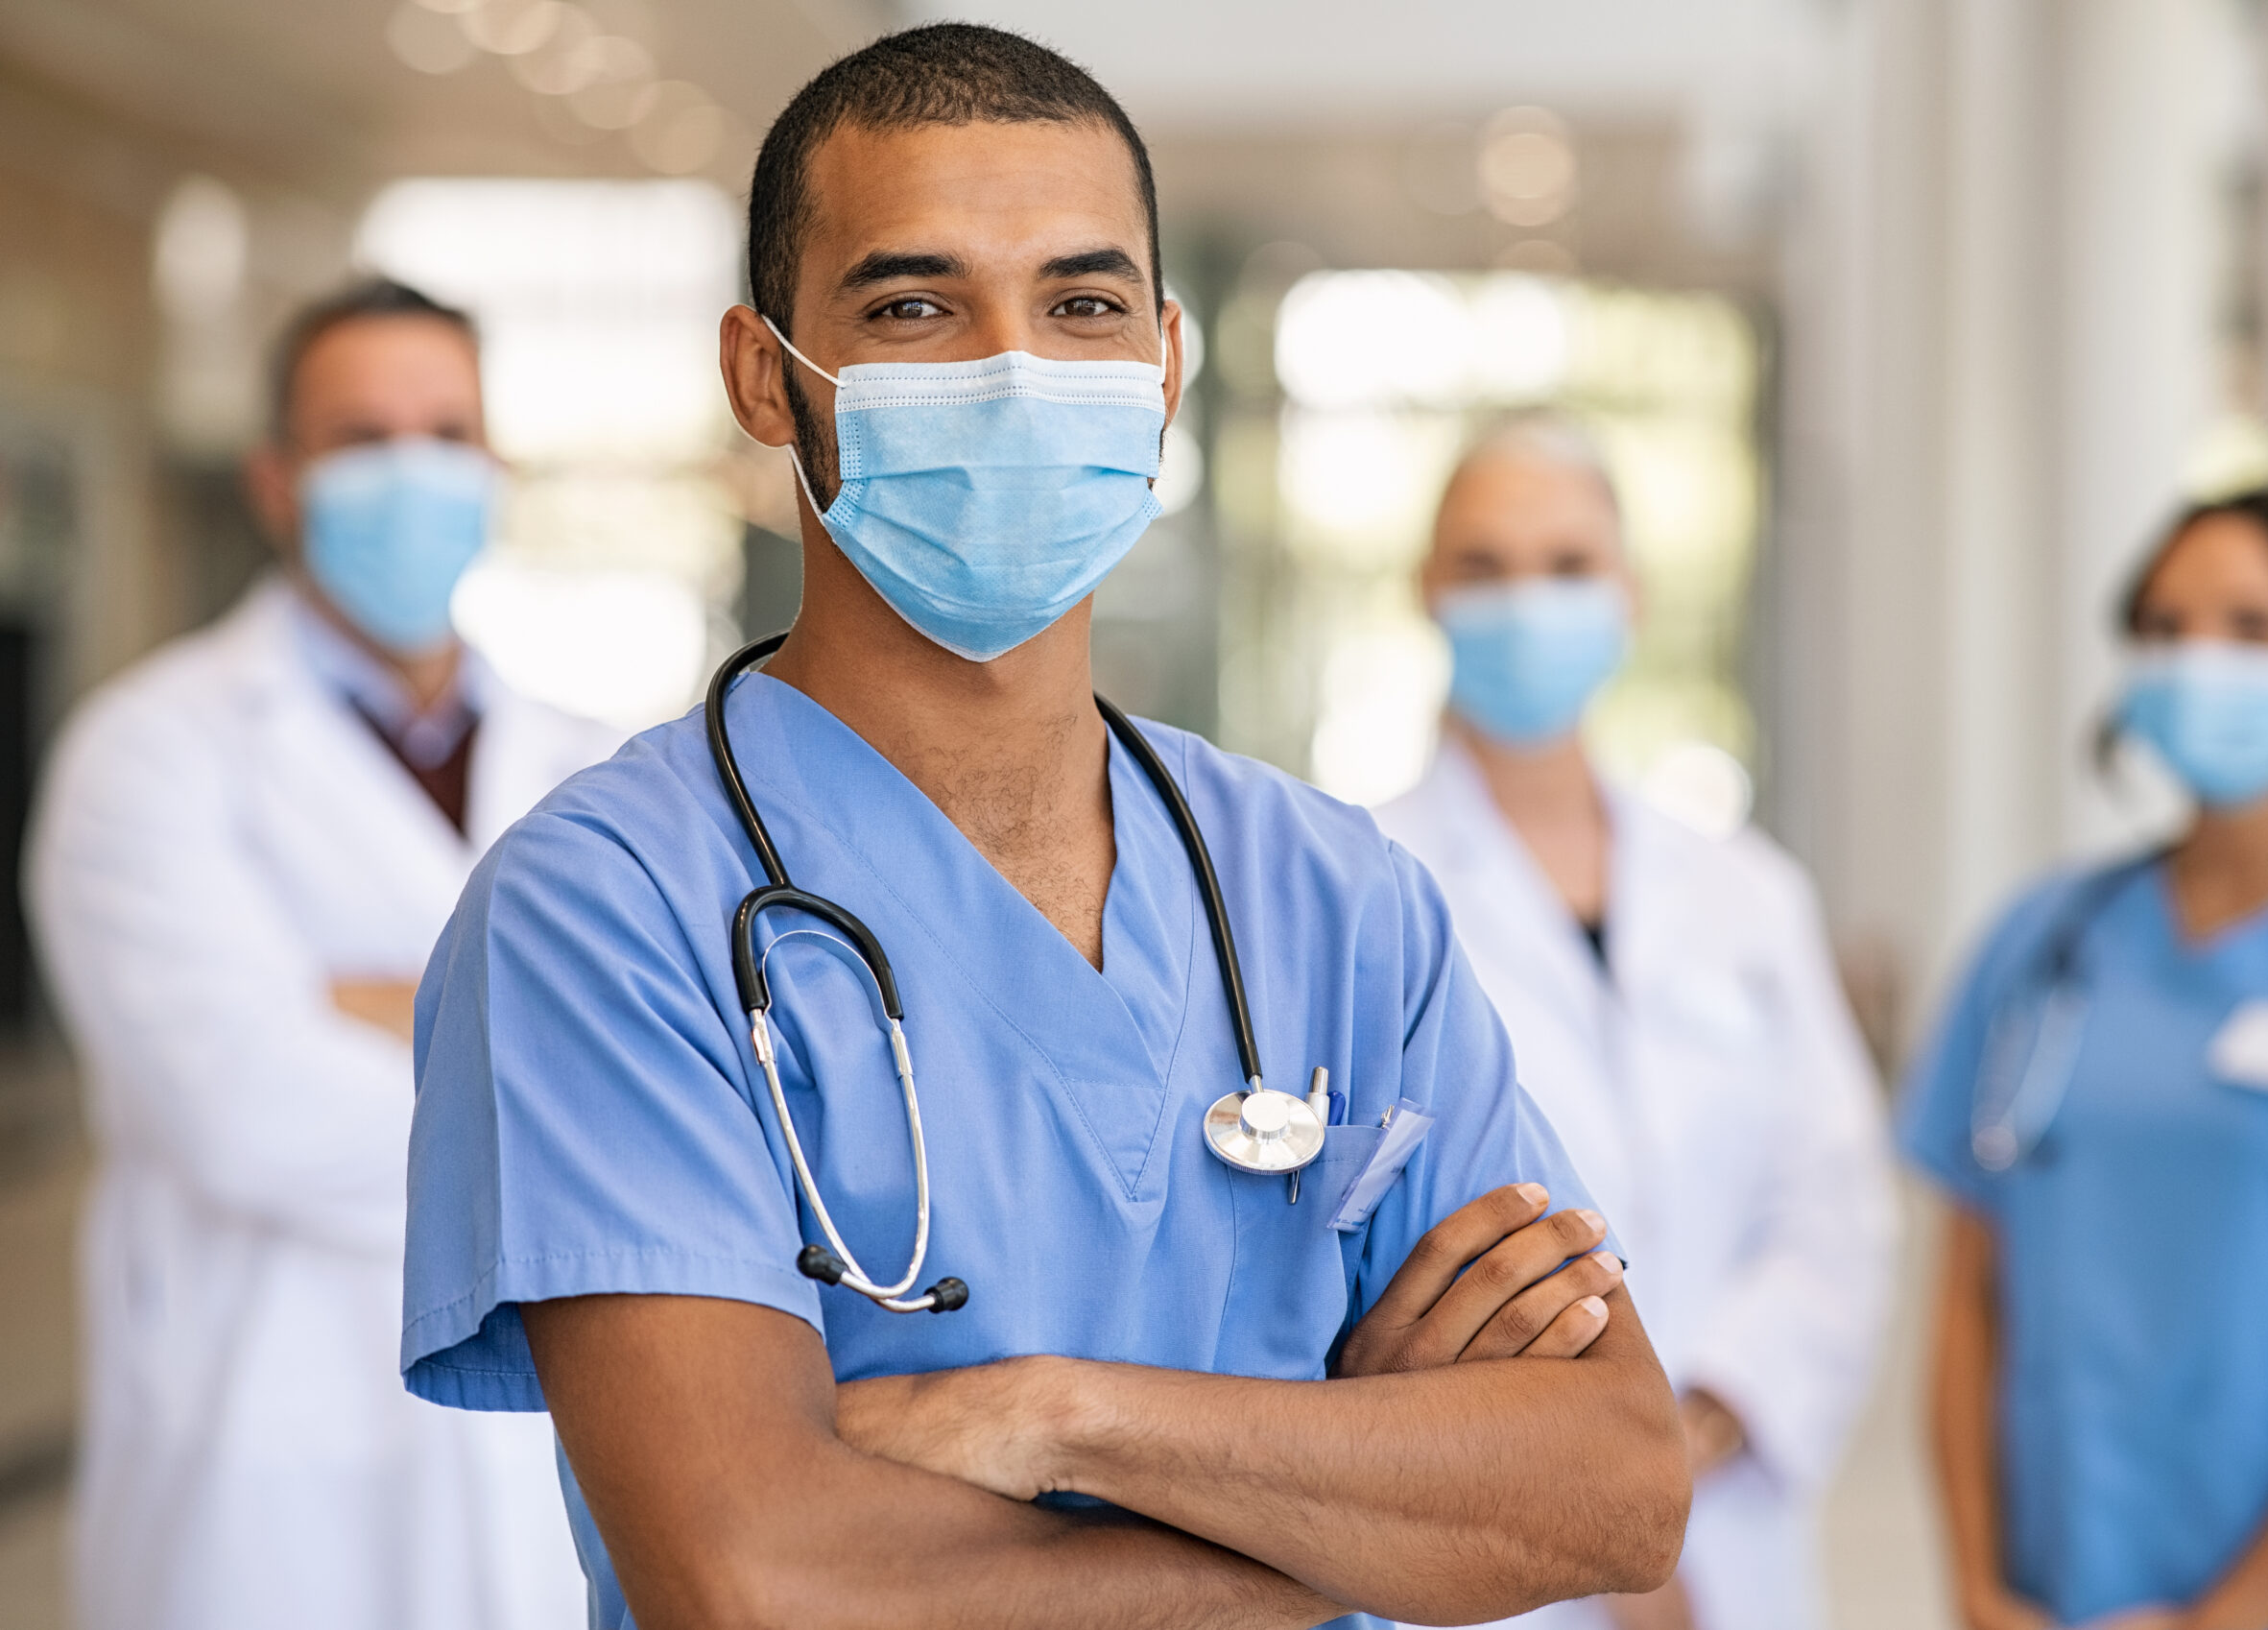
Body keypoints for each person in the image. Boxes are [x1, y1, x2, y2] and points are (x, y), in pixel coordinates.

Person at [400, 25, 1693, 1630]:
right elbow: (757, 1576)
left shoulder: (1330, 894)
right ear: (761, 373)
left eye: (1080, 304)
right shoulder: (609, 910)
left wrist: (1062, 1414)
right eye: (915, 305)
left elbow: (1618, 1484)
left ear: (1160, 365)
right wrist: (1347, 1516)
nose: (1014, 372)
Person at [26, 278, 611, 1630]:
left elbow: (712, 1090)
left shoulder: (595, 764)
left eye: (445, 430)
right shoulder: (150, 755)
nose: (412, 469)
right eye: (361, 438)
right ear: (278, 480)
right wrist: (564, 1054)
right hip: (269, 1476)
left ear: (495, 466)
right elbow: (250, 1111)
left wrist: (381, 1007)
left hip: (551, 1475)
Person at [1898, 489, 2268, 1630]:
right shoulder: (2044, 942)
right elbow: (1966, 1294)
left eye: (2251, 628)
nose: (2199, 662)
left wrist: (2233, 1619)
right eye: (2164, 629)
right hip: (2055, 1597)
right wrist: (1974, 1585)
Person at [1374, 419, 1896, 1630]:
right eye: (1484, 567)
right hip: (1477, 1528)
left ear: (1629, 597)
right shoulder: (1353, 883)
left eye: (1566, 567)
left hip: (1735, 1518)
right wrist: (1582, 1470)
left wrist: (1689, 1429)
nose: (1527, 604)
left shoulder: (1745, 896)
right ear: (1425, 593)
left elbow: (1833, 1204)